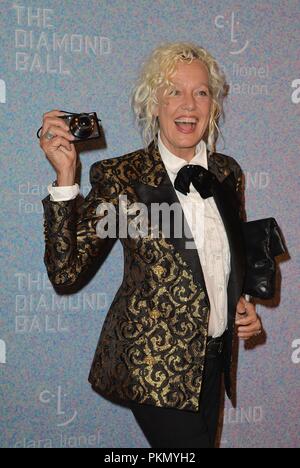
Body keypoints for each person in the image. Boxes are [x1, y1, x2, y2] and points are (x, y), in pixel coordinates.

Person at [40, 42, 262, 448]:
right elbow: (66, 272)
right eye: (173, 91)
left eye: (201, 92)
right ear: (153, 103)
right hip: (154, 367)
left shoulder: (228, 172)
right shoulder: (122, 177)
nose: (189, 104)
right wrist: (67, 177)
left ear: (213, 104)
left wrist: (241, 301)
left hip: (213, 359)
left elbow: (226, 254)